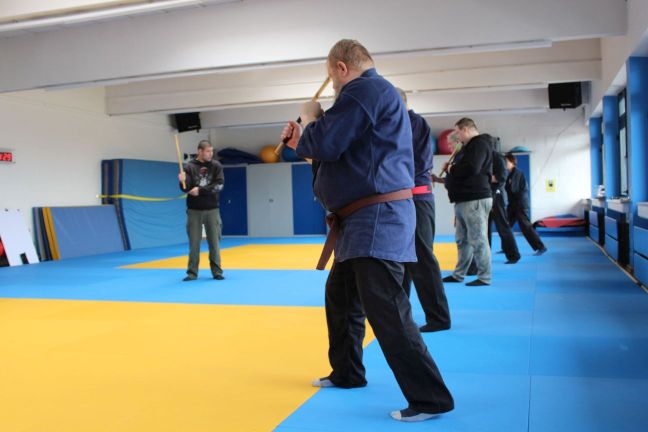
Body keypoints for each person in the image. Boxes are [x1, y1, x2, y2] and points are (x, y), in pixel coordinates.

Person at [281, 39, 453, 422]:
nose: (333, 84)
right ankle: (347, 372)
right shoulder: (370, 97)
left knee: (386, 306)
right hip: (360, 221)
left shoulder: (364, 90)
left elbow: (326, 142)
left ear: (341, 68)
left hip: (376, 218)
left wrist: (310, 118)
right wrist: (304, 141)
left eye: (332, 76)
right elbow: (336, 155)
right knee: (341, 299)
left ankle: (430, 398)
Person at [396, 88, 451, 333]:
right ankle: (400, 315)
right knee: (402, 259)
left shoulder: (414, 123)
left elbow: (413, 162)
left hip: (416, 198)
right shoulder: (400, 124)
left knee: (422, 258)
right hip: (404, 199)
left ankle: (439, 318)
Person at [441, 118, 493, 286]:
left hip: (475, 198)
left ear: (465, 129)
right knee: (462, 240)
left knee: (478, 239)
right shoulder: (469, 147)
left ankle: (484, 277)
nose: (456, 136)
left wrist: (451, 168)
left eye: (457, 132)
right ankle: (459, 274)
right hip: (464, 199)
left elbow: (472, 168)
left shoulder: (479, 144)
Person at [178, 140, 225, 281]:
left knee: (214, 243)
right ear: (200, 151)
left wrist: (200, 190)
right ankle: (192, 273)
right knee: (194, 243)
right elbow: (186, 189)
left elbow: (219, 185)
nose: (211, 154)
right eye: (208, 151)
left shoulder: (216, 166)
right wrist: (181, 181)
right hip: (194, 211)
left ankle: (217, 272)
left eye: (211, 151)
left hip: (212, 210)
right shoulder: (190, 166)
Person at [504, 153, 547, 255]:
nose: (504, 164)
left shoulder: (517, 173)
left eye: (506, 162)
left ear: (512, 162)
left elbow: (514, 189)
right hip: (513, 205)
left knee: (525, 227)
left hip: (520, 204)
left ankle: (541, 247)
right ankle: (507, 247)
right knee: (506, 225)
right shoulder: (510, 174)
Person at [489, 144, 521, 264]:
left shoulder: (498, 158)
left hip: (497, 196)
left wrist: (483, 177)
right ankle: (485, 256)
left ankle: (514, 255)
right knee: (485, 229)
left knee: (502, 226)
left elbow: (501, 177)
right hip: (488, 196)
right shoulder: (488, 158)